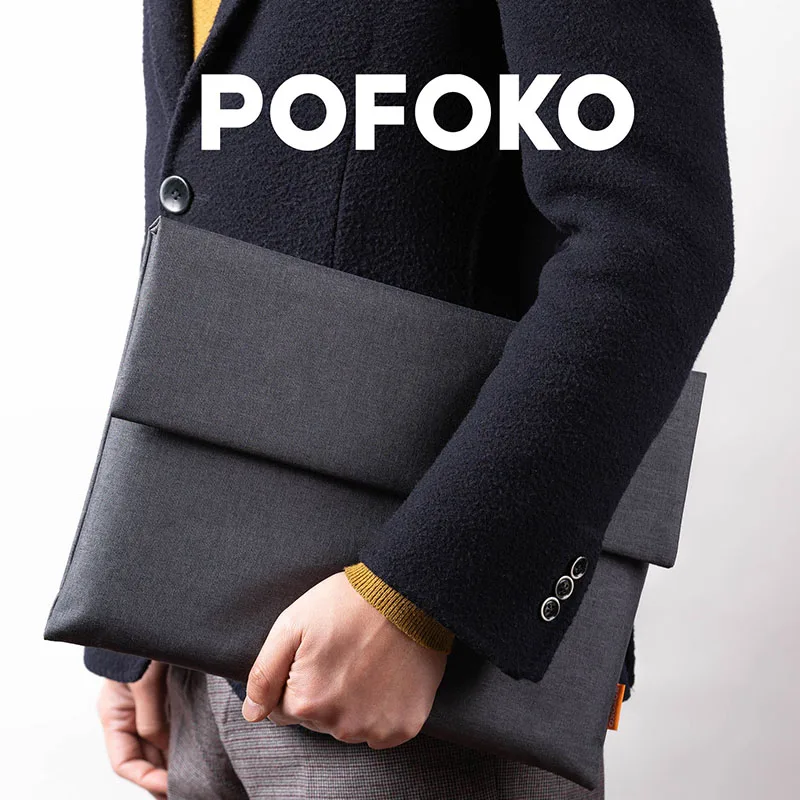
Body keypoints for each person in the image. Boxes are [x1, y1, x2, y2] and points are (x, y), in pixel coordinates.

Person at [87, 0, 734, 797]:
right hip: (189, 645)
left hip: (417, 674)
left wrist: (420, 598)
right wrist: (130, 598)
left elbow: (652, 242)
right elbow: (198, 198)